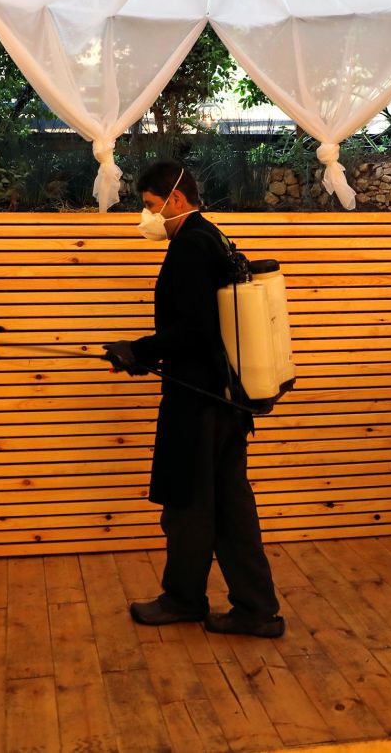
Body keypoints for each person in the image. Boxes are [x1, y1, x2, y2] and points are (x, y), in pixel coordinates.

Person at [104, 160, 284, 638]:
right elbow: (205, 332)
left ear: (175, 201)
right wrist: (145, 356)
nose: (145, 216)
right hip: (227, 401)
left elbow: (191, 331)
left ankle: (184, 600)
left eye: (148, 205)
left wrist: (136, 350)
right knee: (231, 507)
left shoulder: (188, 247)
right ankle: (257, 609)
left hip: (197, 404)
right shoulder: (215, 239)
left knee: (187, 507)